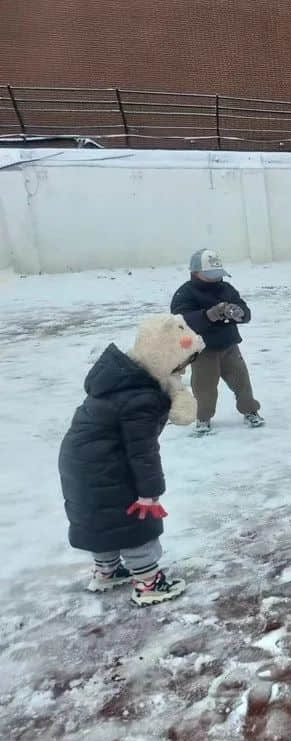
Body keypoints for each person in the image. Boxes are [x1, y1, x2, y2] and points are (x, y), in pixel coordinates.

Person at [59, 315, 204, 606]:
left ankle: (106, 572)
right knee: (135, 523)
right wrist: (150, 492)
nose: (183, 372)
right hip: (108, 467)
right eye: (180, 364)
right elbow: (143, 451)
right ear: (164, 357)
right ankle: (148, 584)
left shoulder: (121, 380)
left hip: (79, 464)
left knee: (103, 521)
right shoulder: (141, 397)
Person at [171, 249, 263, 435]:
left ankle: (250, 410)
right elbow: (181, 321)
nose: (215, 279)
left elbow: (244, 309)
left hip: (229, 345)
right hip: (203, 351)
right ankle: (203, 418)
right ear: (195, 272)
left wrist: (240, 313)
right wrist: (208, 315)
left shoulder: (226, 289)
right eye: (210, 275)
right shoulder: (185, 293)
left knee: (242, 382)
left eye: (217, 274)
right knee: (204, 388)